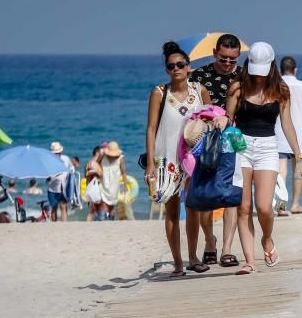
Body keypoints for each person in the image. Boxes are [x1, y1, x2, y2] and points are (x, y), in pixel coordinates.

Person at [226, 41, 302, 275]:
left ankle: (267, 238)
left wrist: (299, 153)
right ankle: (250, 261)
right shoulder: (237, 88)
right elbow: (228, 120)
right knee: (243, 207)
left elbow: (288, 124)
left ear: (271, 66)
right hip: (240, 145)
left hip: (267, 148)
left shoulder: (281, 90)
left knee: (264, 207)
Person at [146, 40, 224, 276]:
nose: (176, 69)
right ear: (167, 70)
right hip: (167, 158)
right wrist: (150, 163)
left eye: (181, 64)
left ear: (189, 67)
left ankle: (192, 257)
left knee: (193, 209)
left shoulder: (199, 90)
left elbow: (212, 117)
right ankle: (178, 263)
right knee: (171, 212)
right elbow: (151, 129)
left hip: (193, 158)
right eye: (171, 66)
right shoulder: (160, 93)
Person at [189, 33, 243, 267]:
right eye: (223, 58)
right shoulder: (199, 76)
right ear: (214, 53)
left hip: (235, 139)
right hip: (206, 140)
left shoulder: (245, 76)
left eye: (232, 59)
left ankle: (227, 249)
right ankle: (210, 242)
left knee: (232, 193)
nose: (228, 64)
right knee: (205, 193)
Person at [275, 55, 302, 216]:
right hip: (299, 135)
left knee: (281, 170)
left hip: (279, 133)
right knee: (299, 169)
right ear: (295, 70)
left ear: (280, 70)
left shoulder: (277, 85)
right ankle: (295, 204)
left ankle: (281, 206)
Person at [97, 141, 127, 221]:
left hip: (114, 186)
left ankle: (111, 220)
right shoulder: (103, 157)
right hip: (103, 184)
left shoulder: (120, 158)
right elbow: (96, 164)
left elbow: (123, 172)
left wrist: (125, 185)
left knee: (112, 206)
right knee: (103, 204)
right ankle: (103, 220)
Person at [47, 141, 75, 221]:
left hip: (64, 187)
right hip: (52, 188)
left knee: (63, 206)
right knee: (54, 207)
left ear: (61, 151)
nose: (57, 154)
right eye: (55, 153)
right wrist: (48, 177)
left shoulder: (66, 159)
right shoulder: (49, 161)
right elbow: (46, 174)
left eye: (58, 152)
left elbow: (71, 169)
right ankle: (55, 225)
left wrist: (70, 179)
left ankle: (64, 224)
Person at [84, 146, 103, 222]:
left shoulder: (89, 162)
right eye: (101, 152)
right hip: (95, 187)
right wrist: (97, 172)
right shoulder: (93, 163)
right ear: (97, 152)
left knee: (94, 209)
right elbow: (88, 174)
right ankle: (88, 224)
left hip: (91, 187)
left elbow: (86, 175)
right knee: (93, 209)